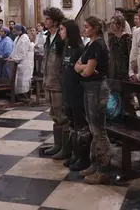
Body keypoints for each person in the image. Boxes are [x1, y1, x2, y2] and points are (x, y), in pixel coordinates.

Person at [74, 16, 111, 185]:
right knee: (92, 127)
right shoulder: (91, 44)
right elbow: (77, 65)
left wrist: (83, 69)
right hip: (90, 87)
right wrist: (83, 68)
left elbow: (87, 71)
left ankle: (103, 170)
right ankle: (95, 164)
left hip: (97, 89)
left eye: (87, 26)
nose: (85, 29)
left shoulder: (98, 44)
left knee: (99, 130)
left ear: (96, 28)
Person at [58, 20, 90, 171]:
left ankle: (84, 158)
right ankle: (75, 154)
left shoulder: (80, 49)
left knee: (80, 127)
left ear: (70, 31)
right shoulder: (67, 47)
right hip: (67, 92)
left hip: (77, 94)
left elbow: (82, 73)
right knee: (72, 126)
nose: (60, 32)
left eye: (62, 29)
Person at [42, 6, 67, 157]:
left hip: (57, 81)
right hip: (48, 79)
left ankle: (65, 148)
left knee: (61, 114)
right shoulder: (48, 37)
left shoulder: (61, 38)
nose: (45, 21)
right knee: (53, 113)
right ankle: (57, 144)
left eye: (48, 19)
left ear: (56, 22)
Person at [10, 24, 33, 100]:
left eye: (15, 31)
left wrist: (15, 59)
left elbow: (22, 52)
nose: (14, 32)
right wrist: (11, 56)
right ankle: (19, 95)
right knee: (18, 80)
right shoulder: (17, 38)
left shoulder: (25, 38)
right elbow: (14, 49)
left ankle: (25, 96)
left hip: (24, 62)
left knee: (23, 81)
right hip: (18, 62)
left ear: (20, 31)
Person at [108, 14, 132, 84]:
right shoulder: (112, 39)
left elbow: (130, 55)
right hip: (113, 69)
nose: (111, 25)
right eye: (111, 23)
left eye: (114, 23)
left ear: (120, 25)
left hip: (124, 70)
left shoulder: (127, 39)